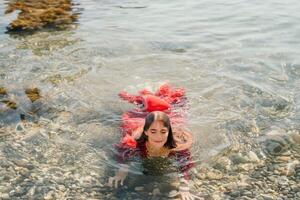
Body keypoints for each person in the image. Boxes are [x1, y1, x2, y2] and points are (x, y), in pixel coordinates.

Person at [108, 111, 200, 200]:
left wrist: (184, 187)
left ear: (169, 132)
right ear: (146, 132)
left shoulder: (177, 146)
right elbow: (124, 155)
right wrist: (122, 171)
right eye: (153, 131)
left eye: (163, 132)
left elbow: (185, 165)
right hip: (135, 122)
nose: (158, 137)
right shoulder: (135, 144)